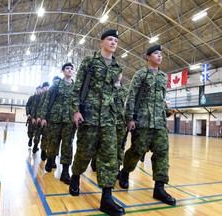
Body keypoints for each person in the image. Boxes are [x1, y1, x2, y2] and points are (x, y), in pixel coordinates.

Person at [69, 29, 125, 215]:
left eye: (115, 40)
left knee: (109, 157)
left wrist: (120, 118)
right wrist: (75, 110)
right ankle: (75, 175)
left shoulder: (117, 67)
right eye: (110, 39)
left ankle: (107, 198)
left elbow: (117, 94)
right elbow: (77, 87)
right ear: (101, 42)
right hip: (90, 116)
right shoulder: (90, 62)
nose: (113, 42)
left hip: (109, 118)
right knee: (84, 152)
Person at [118, 45, 176, 206]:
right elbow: (131, 97)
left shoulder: (164, 76)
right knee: (136, 151)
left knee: (162, 154)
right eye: (156, 53)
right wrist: (129, 118)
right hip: (142, 123)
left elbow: (161, 99)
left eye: (161, 54)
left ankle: (159, 188)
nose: (160, 56)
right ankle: (125, 172)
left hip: (160, 124)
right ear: (148, 57)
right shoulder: (140, 75)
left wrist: (167, 111)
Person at [40, 63, 75, 185]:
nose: (69, 70)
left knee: (67, 145)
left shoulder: (75, 87)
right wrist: (43, 116)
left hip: (69, 121)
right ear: (63, 71)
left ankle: (65, 172)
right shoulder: (56, 84)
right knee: (53, 142)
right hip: (55, 119)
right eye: (67, 68)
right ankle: (50, 159)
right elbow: (47, 100)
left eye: (71, 68)